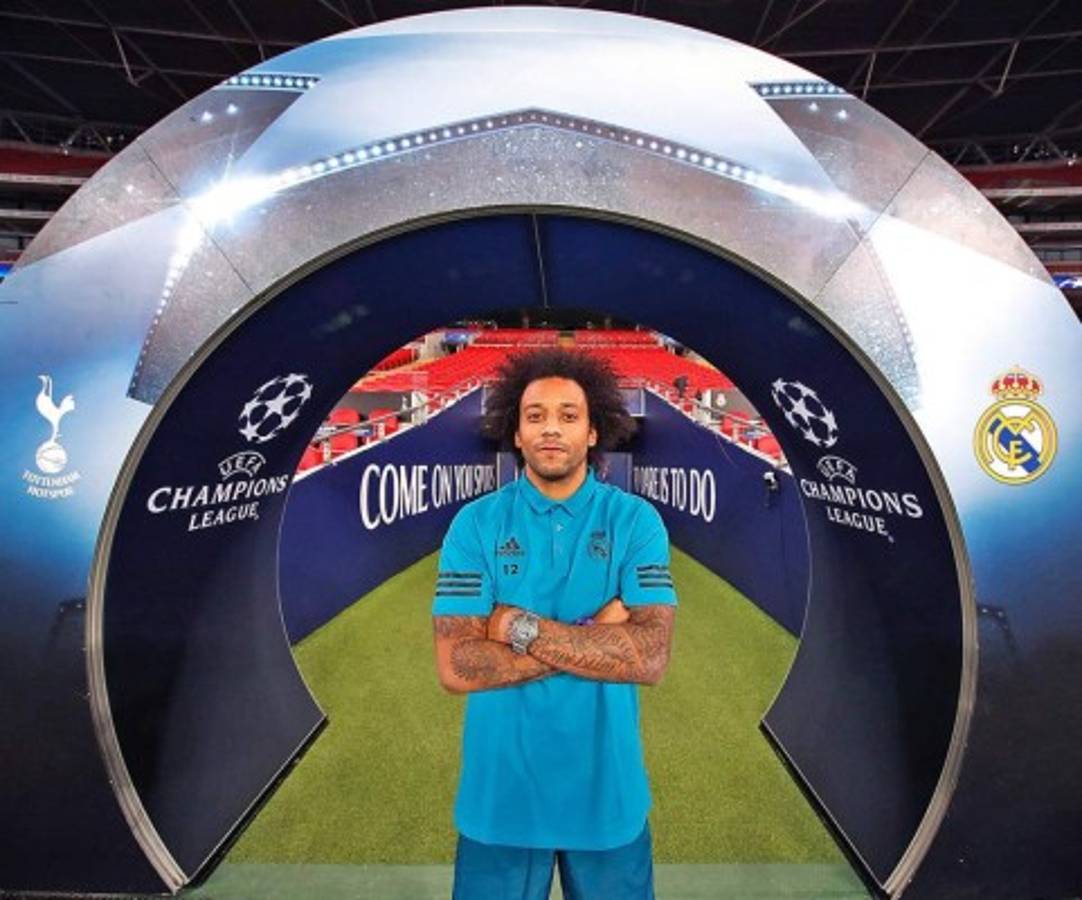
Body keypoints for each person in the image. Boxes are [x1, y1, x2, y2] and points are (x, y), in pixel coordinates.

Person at [432, 348, 677, 900]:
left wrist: (515, 626)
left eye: (568, 416)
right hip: (501, 800)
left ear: (593, 432)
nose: (550, 428)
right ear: (516, 433)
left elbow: (650, 656)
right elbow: (457, 666)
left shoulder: (635, 521)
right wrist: (596, 632)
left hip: (606, 795)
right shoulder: (474, 525)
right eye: (535, 415)